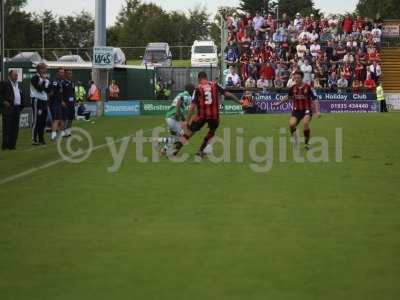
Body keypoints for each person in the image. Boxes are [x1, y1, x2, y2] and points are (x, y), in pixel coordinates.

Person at [172, 71, 240, 158]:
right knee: (211, 132)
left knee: (190, 132)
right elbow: (228, 95)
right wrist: (239, 102)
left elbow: (192, 106)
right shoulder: (215, 85)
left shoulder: (198, 89)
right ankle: (200, 151)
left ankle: (175, 149)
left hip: (202, 115)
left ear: (199, 79)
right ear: (206, 77)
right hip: (214, 116)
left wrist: (187, 121)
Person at [273, 71, 321, 151]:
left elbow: (315, 99)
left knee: (305, 123)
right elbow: (288, 97)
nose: (296, 79)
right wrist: (278, 103)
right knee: (291, 125)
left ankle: (306, 144)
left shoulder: (308, 87)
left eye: (298, 78)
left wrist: (317, 111)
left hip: (307, 109)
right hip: (296, 110)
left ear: (302, 78)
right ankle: (296, 139)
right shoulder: (293, 87)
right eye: (295, 78)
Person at [159, 83, 195, 156]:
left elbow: (179, 105)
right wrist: (178, 113)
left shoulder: (181, 94)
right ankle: (159, 140)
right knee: (182, 137)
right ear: (190, 90)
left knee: (175, 137)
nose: (193, 92)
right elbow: (179, 102)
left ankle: (164, 150)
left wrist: (182, 118)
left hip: (170, 117)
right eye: (193, 90)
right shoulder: (187, 96)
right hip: (173, 119)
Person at [1, 70, 23, 150]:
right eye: (15, 75)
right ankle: (5, 145)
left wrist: (21, 105)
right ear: (10, 76)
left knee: (15, 128)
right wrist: (3, 101)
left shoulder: (17, 84)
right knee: (7, 128)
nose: (16, 77)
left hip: (16, 108)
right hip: (8, 108)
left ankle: (12, 145)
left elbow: (20, 94)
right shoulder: (5, 83)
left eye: (17, 75)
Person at [31, 63, 51, 145]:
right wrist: (43, 81)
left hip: (44, 101)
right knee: (37, 121)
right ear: (39, 69)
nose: (45, 70)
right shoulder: (35, 78)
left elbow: (47, 90)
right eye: (44, 69)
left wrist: (45, 81)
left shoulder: (46, 79)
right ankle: (34, 139)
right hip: (37, 100)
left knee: (43, 121)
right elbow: (39, 89)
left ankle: (41, 138)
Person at [48, 67, 66, 141]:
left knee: (59, 118)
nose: (62, 74)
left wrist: (61, 101)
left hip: (58, 103)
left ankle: (60, 132)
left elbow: (60, 93)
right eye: (61, 72)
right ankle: (53, 134)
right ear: (57, 73)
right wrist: (49, 100)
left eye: (63, 72)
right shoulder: (55, 82)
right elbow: (51, 92)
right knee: (56, 119)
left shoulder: (60, 82)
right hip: (54, 103)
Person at [62, 70, 75, 137]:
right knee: (65, 118)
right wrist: (62, 101)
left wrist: (74, 101)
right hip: (65, 102)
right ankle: (63, 131)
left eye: (71, 74)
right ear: (66, 74)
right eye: (69, 74)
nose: (70, 75)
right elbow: (61, 93)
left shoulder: (72, 82)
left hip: (71, 103)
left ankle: (68, 130)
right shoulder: (63, 82)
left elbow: (73, 92)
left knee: (71, 118)